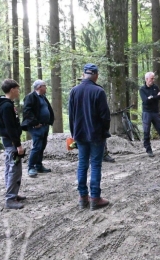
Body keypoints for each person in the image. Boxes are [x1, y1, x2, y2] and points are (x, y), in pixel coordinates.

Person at [69, 63, 111, 210]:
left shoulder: (74, 91)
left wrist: (73, 133)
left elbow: (71, 115)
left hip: (79, 134)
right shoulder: (98, 91)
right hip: (96, 135)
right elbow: (105, 116)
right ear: (96, 75)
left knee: (82, 165)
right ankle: (95, 197)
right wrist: (105, 132)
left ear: (83, 74)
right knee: (95, 165)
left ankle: (82, 197)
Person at [0, 79, 26, 209]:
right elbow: (10, 128)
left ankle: (13, 193)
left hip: (9, 141)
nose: (19, 91)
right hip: (11, 142)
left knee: (10, 167)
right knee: (14, 169)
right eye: (17, 89)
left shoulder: (6, 104)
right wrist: (18, 145)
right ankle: (10, 198)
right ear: (12, 89)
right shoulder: (7, 106)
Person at [76, 75, 115, 163]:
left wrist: (104, 129)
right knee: (85, 161)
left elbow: (103, 112)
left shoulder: (97, 90)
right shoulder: (77, 90)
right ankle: (93, 155)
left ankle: (104, 154)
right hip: (82, 123)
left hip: (94, 123)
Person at [21, 80, 54, 177]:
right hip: (36, 127)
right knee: (37, 147)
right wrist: (35, 122)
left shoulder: (43, 97)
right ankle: (31, 167)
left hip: (44, 125)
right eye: (45, 86)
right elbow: (27, 111)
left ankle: (39, 166)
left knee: (42, 146)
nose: (46, 88)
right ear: (39, 87)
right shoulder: (30, 97)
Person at [139, 72, 160, 157]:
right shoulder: (142, 89)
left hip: (155, 112)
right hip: (147, 113)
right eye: (152, 78)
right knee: (146, 132)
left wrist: (152, 97)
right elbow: (145, 100)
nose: (153, 80)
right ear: (146, 79)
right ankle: (149, 150)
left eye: (153, 78)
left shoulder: (155, 87)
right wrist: (155, 97)